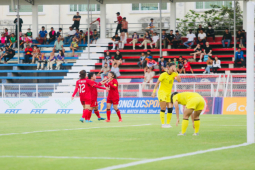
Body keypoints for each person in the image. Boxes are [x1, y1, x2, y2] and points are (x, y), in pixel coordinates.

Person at [151, 63, 181, 128]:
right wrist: (154, 92)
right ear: (168, 67)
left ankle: (168, 124)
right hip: (162, 93)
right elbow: (157, 83)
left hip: (169, 94)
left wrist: (176, 72)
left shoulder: (174, 74)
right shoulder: (163, 75)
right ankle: (163, 124)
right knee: (163, 108)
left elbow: (179, 80)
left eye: (174, 67)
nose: (173, 68)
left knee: (170, 108)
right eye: (172, 67)